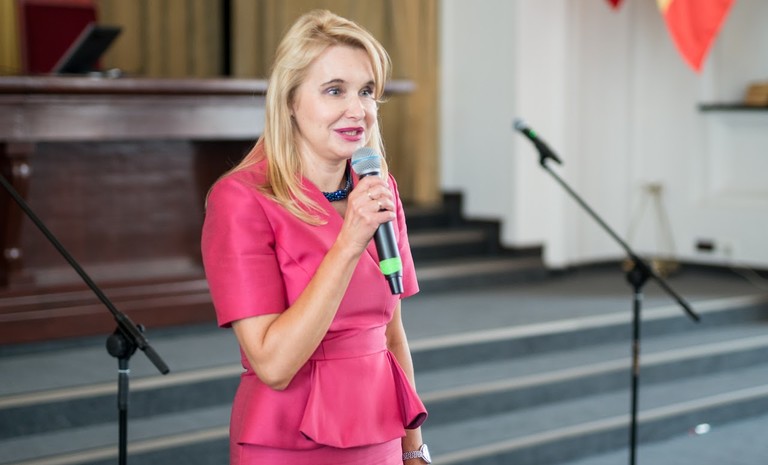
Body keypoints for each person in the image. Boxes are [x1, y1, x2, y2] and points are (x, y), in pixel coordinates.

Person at [201, 9, 430, 465]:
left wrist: (414, 450)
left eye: (366, 91)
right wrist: (348, 244)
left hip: (380, 435)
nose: (357, 110)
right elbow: (273, 364)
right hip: (288, 441)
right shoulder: (241, 200)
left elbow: (391, 334)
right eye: (334, 90)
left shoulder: (377, 188)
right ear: (289, 100)